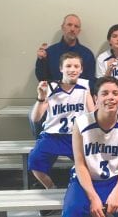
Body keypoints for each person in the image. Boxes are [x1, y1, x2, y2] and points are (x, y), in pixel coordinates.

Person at [62, 76, 118, 217]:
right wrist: (93, 197)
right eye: (105, 93)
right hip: (86, 179)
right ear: (96, 98)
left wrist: (117, 192)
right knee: (72, 211)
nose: (111, 97)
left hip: (115, 178)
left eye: (115, 93)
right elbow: (80, 164)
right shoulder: (81, 124)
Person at [28, 52, 95, 216]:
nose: (72, 69)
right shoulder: (50, 87)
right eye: (68, 66)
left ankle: (79, 193)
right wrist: (40, 98)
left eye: (76, 66)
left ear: (81, 69)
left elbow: (93, 114)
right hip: (52, 135)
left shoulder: (85, 87)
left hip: (76, 136)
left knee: (90, 165)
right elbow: (35, 118)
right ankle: (51, 188)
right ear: (61, 69)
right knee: (34, 161)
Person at [31, 14, 96, 138]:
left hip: (78, 100)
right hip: (54, 98)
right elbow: (42, 78)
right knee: (32, 115)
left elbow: (90, 81)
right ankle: (42, 141)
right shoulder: (50, 51)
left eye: (76, 26)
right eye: (69, 25)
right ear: (63, 27)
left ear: (79, 31)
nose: (72, 28)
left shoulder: (87, 54)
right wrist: (41, 61)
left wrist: (76, 94)